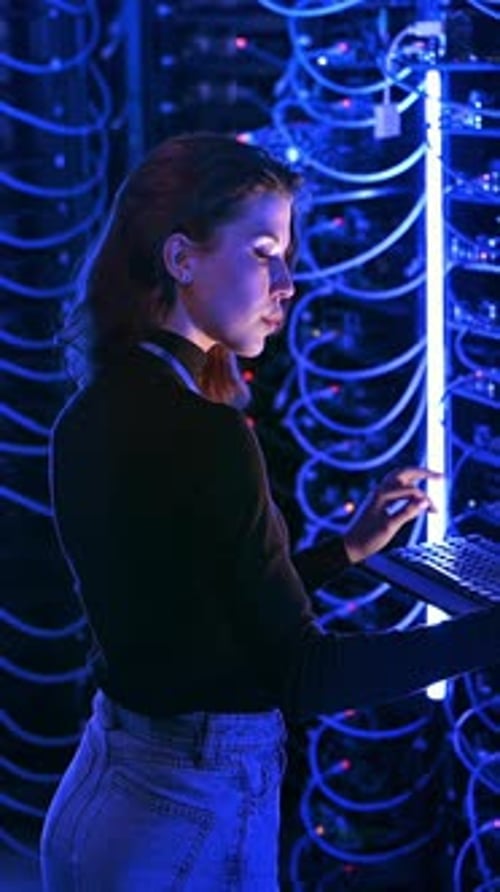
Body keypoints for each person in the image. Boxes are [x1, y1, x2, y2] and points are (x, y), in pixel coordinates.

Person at [40, 133, 500, 892]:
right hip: (185, 822)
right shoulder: (207, 434)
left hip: (107, 796)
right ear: (182, 259)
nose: (288, 281)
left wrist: (348, 551)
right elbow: (305, 678)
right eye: (263, 251)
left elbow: (197, 621)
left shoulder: (95, 408)